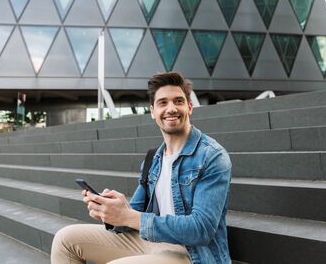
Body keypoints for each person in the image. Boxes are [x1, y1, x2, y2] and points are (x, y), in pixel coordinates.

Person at [51, 72, 232, 264]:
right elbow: (133, 213)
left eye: (178, 101)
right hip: (153, 241)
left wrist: (129, 216)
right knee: (65, 239)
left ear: (189, 107)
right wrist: (111, 211)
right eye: (163, 103)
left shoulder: (212, 156)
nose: (171, 108)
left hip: (193, 254)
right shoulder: (153, 159)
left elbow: (201, 229)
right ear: (153, 111)